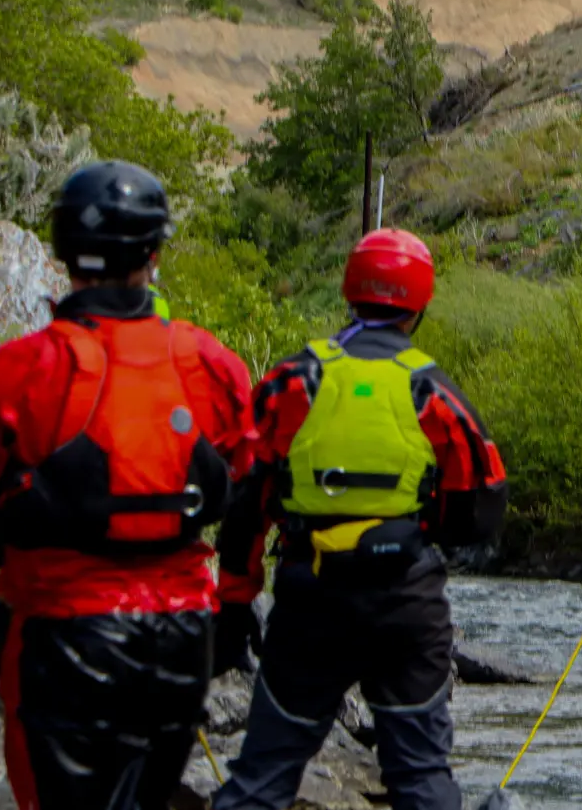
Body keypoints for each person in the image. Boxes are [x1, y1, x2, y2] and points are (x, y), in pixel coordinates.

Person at [0, 160, 255, 810]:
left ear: (63, 250)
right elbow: (247, 477)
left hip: (60, 635)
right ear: (154, 253)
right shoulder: (210, 363)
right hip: (180, 641)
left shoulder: (17, 371)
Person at [215, 228, 506, 810]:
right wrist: (426, 527)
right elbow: (481, 504)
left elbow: (245, 497)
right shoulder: (433, 391)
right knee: (421, 777)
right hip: (406, 603)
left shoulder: (294, 380)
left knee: (264, 776)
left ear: (350, 292)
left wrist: (234, 600)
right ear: (419, 305)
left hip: (310, 601)